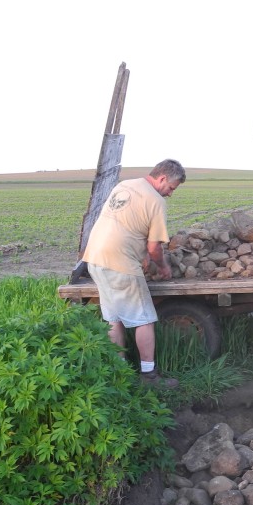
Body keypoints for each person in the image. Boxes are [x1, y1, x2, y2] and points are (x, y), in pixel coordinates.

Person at [82, 158, 186, 387]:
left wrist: (143, 257)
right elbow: (154, 247)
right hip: (120, 263)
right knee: (144, 320)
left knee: (113, 318)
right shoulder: (156, 200)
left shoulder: (125, 185)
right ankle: (149, 376)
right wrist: (163, 267)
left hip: (95, 258)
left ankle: (119, 373)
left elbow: (127, 225)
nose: (170, 193)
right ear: (162, 179)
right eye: (171, 188)